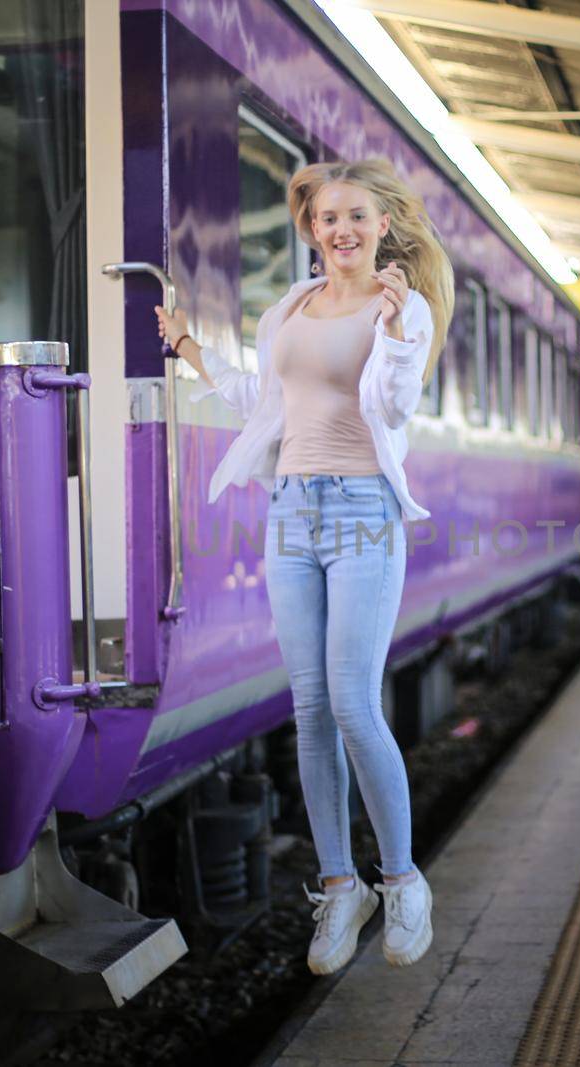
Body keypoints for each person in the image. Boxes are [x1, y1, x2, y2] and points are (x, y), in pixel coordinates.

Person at [154, 158, 453, 976]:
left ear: (382, 225)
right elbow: (263, 401)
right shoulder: (290, 305)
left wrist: (391, 336)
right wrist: (188, 349)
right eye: (327, 219)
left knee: (355, 701)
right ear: (313, 229)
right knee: (311, 705)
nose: (342, 230)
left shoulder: (406, 308)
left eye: (356, 216)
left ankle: (401, 880)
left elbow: (394, 408)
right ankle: (338, 887)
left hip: (363, 512)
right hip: (291, 513)